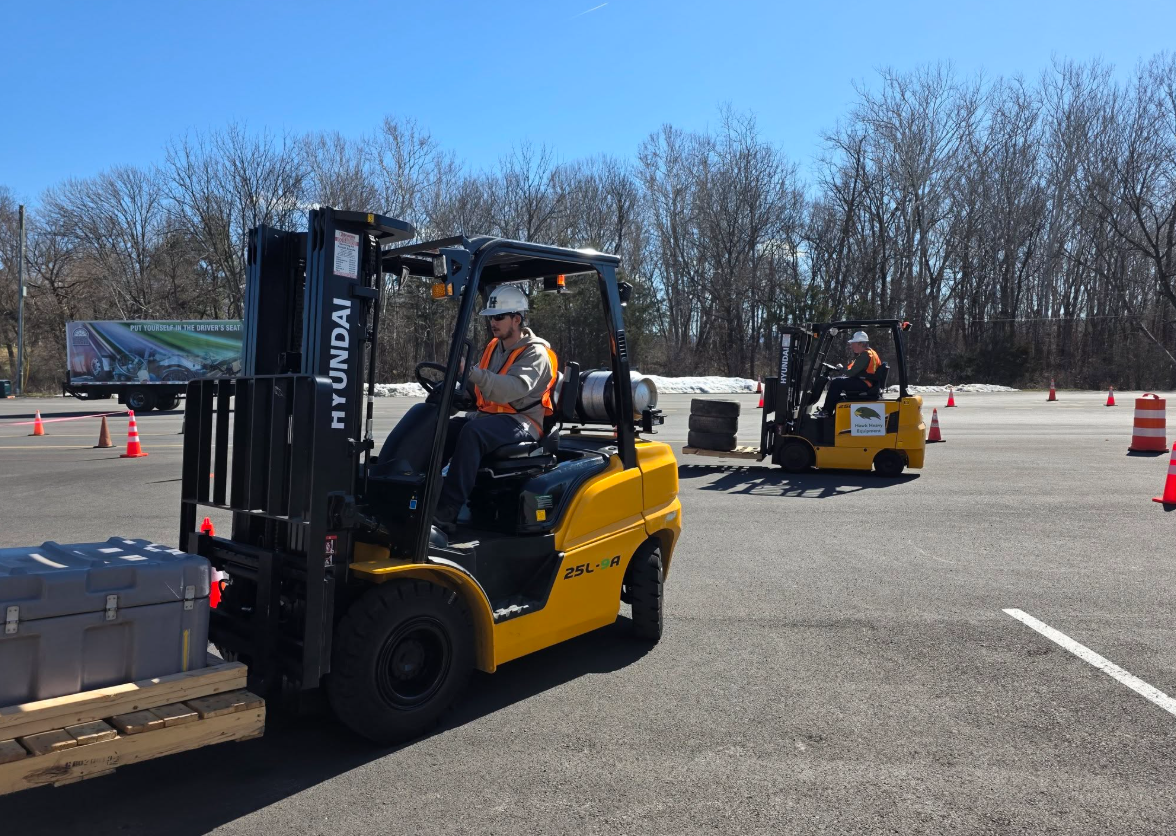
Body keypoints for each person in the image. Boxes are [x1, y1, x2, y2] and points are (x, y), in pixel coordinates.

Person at [433, 284, 557, 530]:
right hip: (491, 417)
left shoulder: (536, 353)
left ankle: (447, 510)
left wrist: (473, 373)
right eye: (491, 317)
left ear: (517, 319)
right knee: (442, 427)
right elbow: (480, 386)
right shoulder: (494, 347)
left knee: (473, 433)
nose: (493, 322)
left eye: (499, 317)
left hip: (523, 421)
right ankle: (422, 492)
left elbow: (510, 389)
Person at [814, 330, 882, 417]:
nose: (851, 346)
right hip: (866, 381)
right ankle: (829, 407)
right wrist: (842, 370)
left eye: (853, 343)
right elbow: (854, 370)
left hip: (865, 383)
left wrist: (841, 369)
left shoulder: (865, 355)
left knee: (836, 383)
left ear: (861, 343)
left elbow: (851, 373)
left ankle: (827, 411)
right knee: (838, 381)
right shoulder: (870, 353)